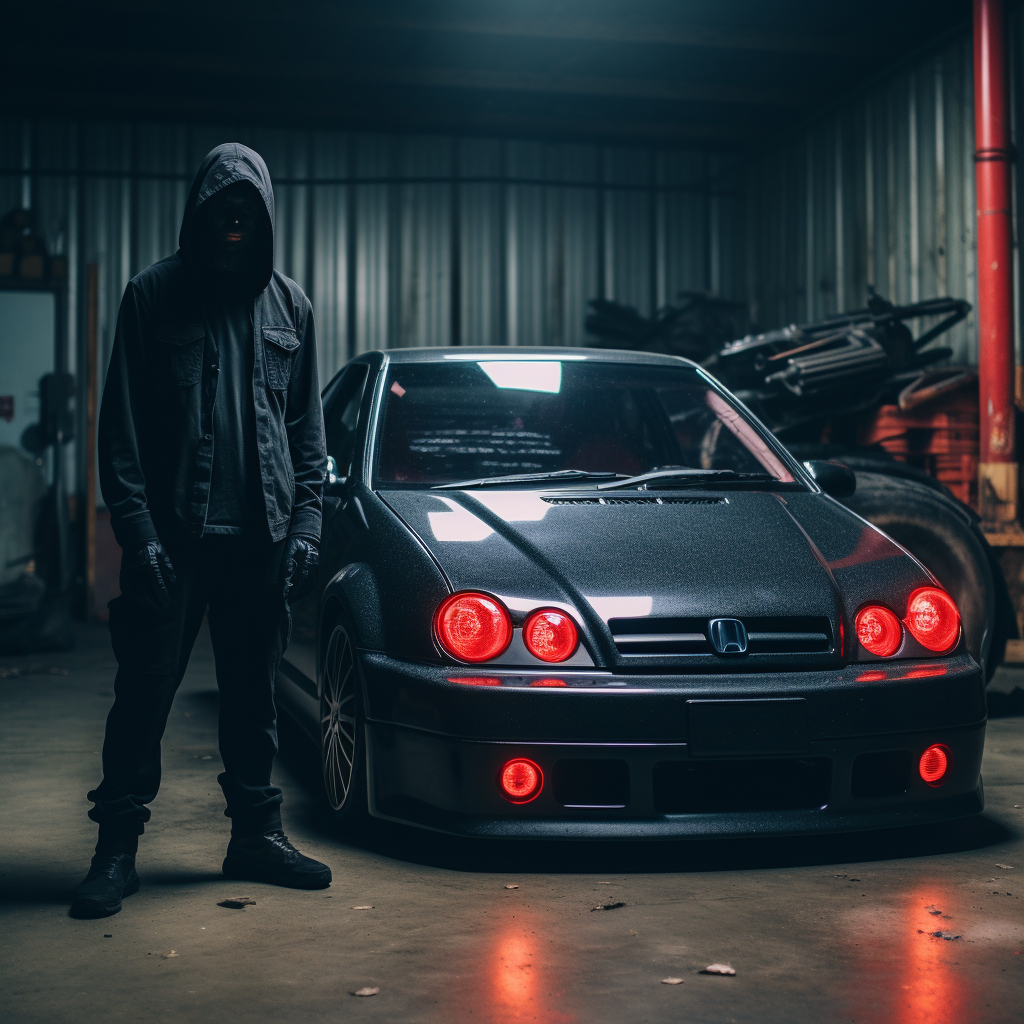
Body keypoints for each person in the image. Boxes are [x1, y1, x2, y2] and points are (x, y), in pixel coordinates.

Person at [71, 144, 331, 919]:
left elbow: (307, 435)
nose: (234, 224)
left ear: (264, 221)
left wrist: (308, 525)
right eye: (222, 211)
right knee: (144, 692)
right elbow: (118, 433)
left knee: (253, 697)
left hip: (263, 538)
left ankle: (255, 835)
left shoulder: (292, 307)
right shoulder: (151, 297)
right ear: (200, 214)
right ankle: (116, 848)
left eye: (247, 214)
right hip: (174, 543)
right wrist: (138, 529)